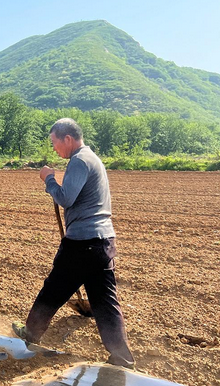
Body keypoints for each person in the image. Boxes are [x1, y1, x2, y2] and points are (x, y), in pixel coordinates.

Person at [12, 118, 135, 368]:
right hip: (103, 242)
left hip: (82, 243)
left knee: (53, 291)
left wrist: (48, 179)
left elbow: (66, 198)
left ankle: (31, 334)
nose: (55, 148)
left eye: (54, 142)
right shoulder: (91, 158)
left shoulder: (79, 160)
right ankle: (122, 358)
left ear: (67, 139)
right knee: (105, 303)